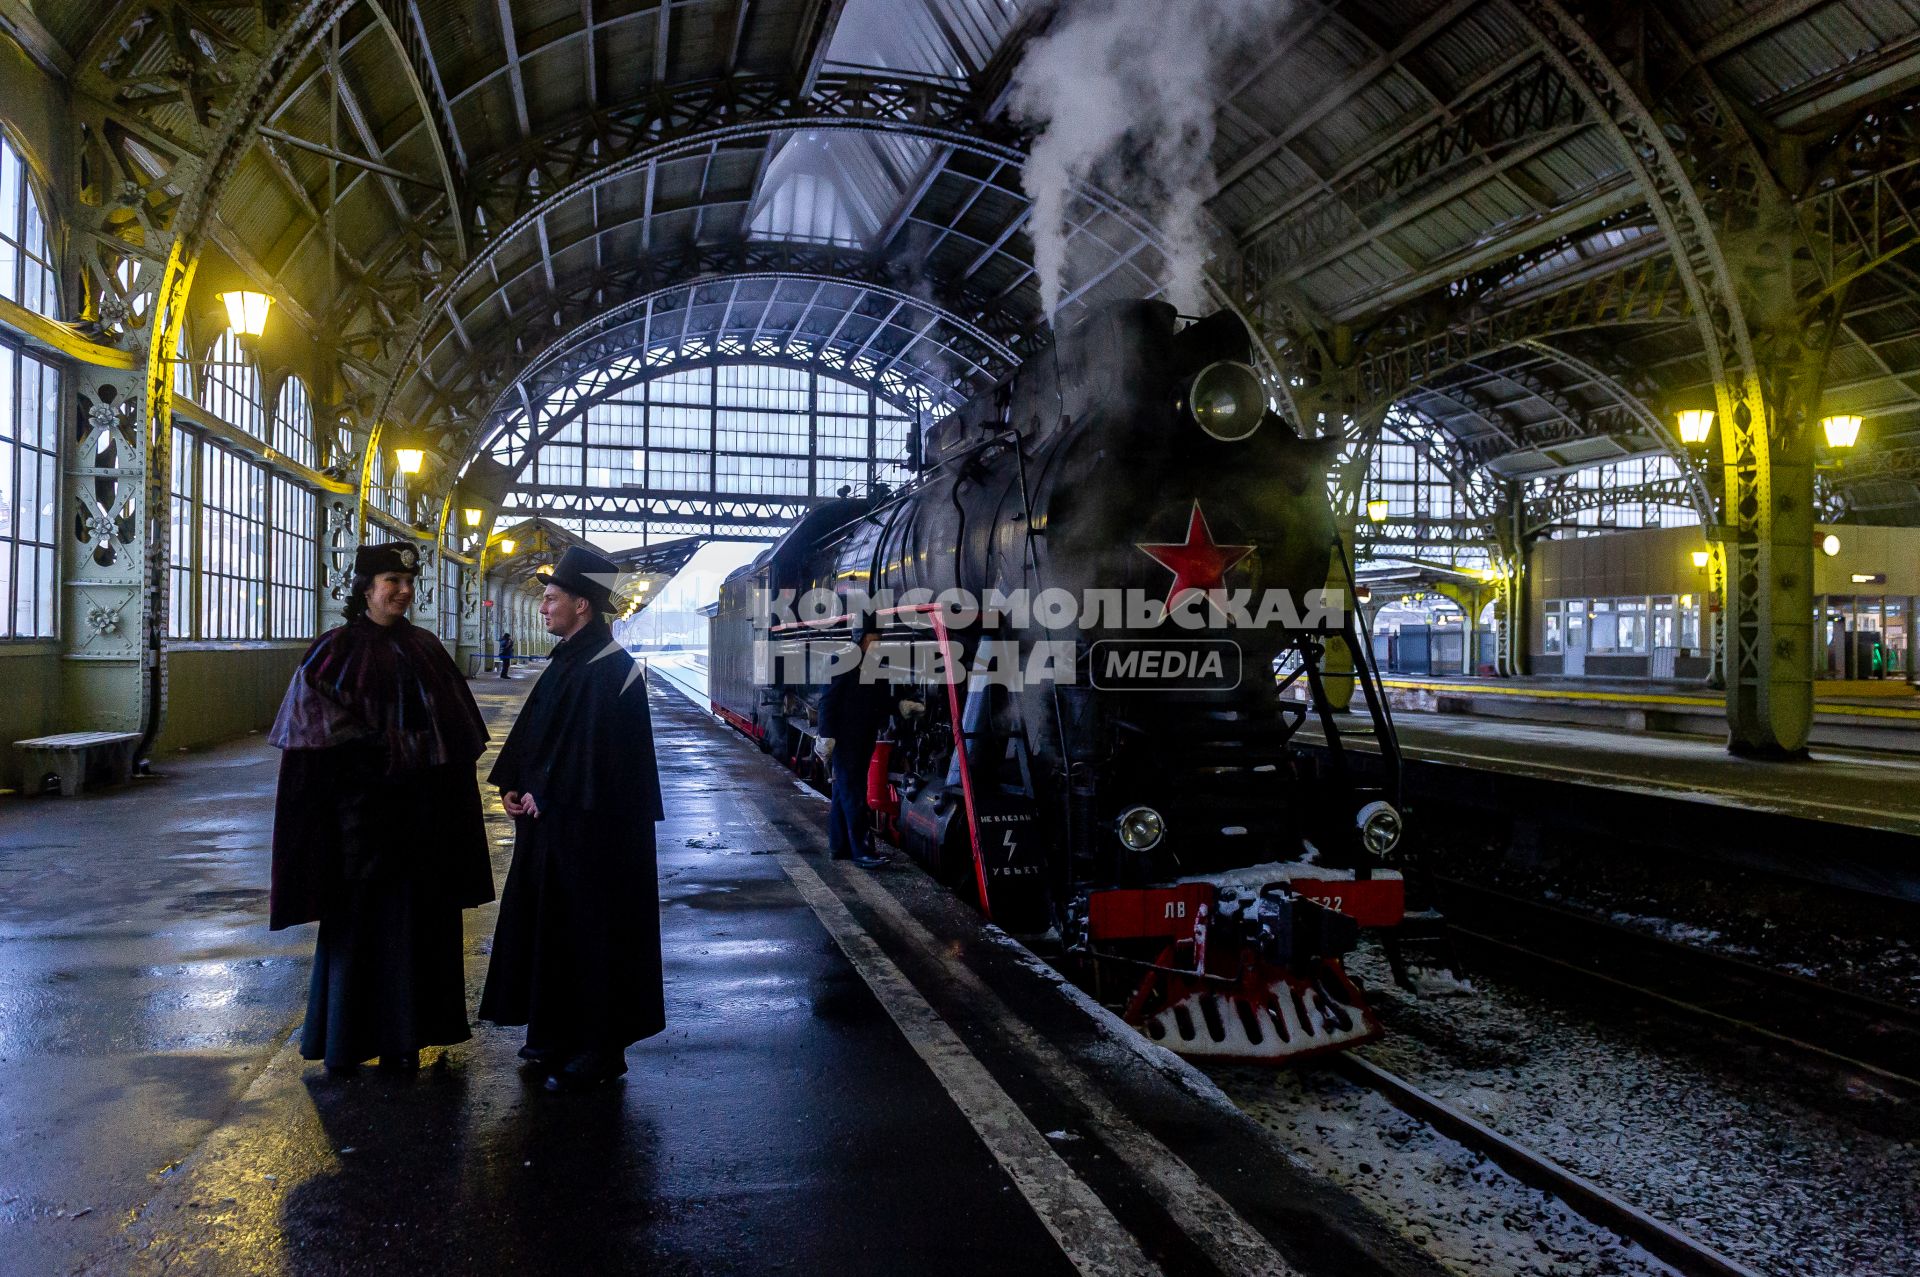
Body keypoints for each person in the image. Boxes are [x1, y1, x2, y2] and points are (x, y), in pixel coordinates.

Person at [267, 541, 493, 1074]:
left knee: (419, 929)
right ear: (365, 589)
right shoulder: (333, 650)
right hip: (362, 827)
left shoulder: (427, 648)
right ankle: (347, 1041)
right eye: (392, 581)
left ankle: (407, 1038)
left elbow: (459, 735)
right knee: (364, 930)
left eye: (408, 582)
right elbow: (313, 736)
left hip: (423, 826)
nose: (404, 591)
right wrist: (393, 753)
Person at [479, 545, 666, 1091]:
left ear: (582, 605)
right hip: (558, 828)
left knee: (594, 935)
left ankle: (601, 1049)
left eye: (552, 598)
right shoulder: (573, 660)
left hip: (597, 836)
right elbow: (542, 734)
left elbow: (604, 759)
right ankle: (554, 1033)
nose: (543, 608)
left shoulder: (613, 669)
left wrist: (548, 791)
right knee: (554, 930)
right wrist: (518, 784)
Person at [818, 628, 892, 869]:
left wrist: (897, 709)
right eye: (873, 639)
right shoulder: (841, 661)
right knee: (854, 792)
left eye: (879, 640)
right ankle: (862, 851)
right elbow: (828, 699)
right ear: (860, 639)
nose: (877, 644)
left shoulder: (877, 663)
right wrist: (826, 735)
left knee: (843, 790)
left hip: (865, 736)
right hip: (845, 738)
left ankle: (838, 847)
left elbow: (881, 697)